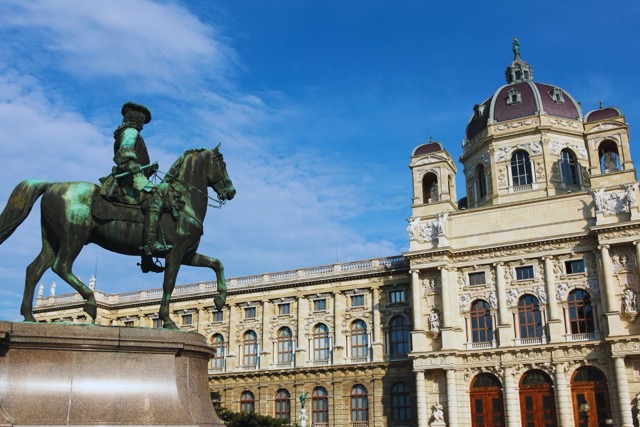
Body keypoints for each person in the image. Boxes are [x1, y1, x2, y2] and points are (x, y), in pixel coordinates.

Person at [101, 102, 172, 267]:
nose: (142, 123)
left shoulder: (126, 132)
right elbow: (126, 150)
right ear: (134, 119)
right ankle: (150, 244)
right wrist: (131, 162)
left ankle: (146, 258)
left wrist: (148, 169)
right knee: (157, 196)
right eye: (141, 119)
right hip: (129, 180)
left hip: (133, 177)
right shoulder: (131, 132)